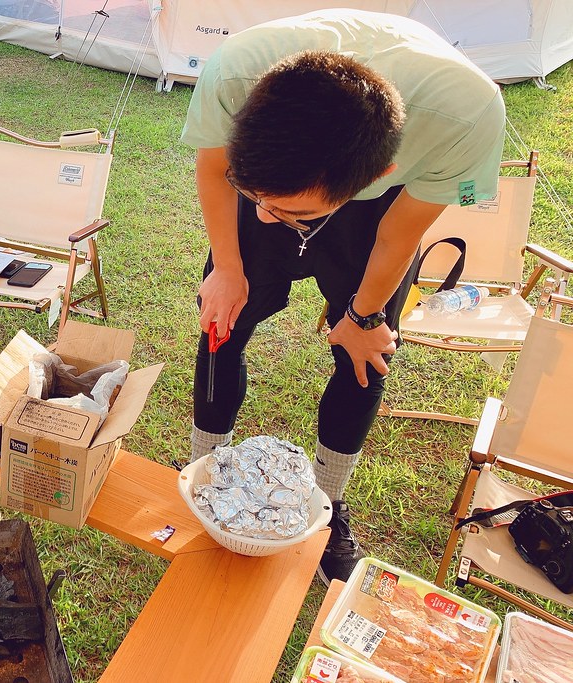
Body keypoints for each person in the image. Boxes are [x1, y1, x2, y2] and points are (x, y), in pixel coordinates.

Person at [180, 10, 505, 584]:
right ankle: (205, 470)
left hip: (380, 207)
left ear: (381, 171)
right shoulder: (235, 73)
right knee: (220, 325)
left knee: (365, 353)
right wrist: (229, 266)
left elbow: (400, 232)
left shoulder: (465, 117)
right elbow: (213, 166)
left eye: (290, 212)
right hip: (286, 168)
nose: (265, 218)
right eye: (254, 196)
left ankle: (329, 506)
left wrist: (364, 313)